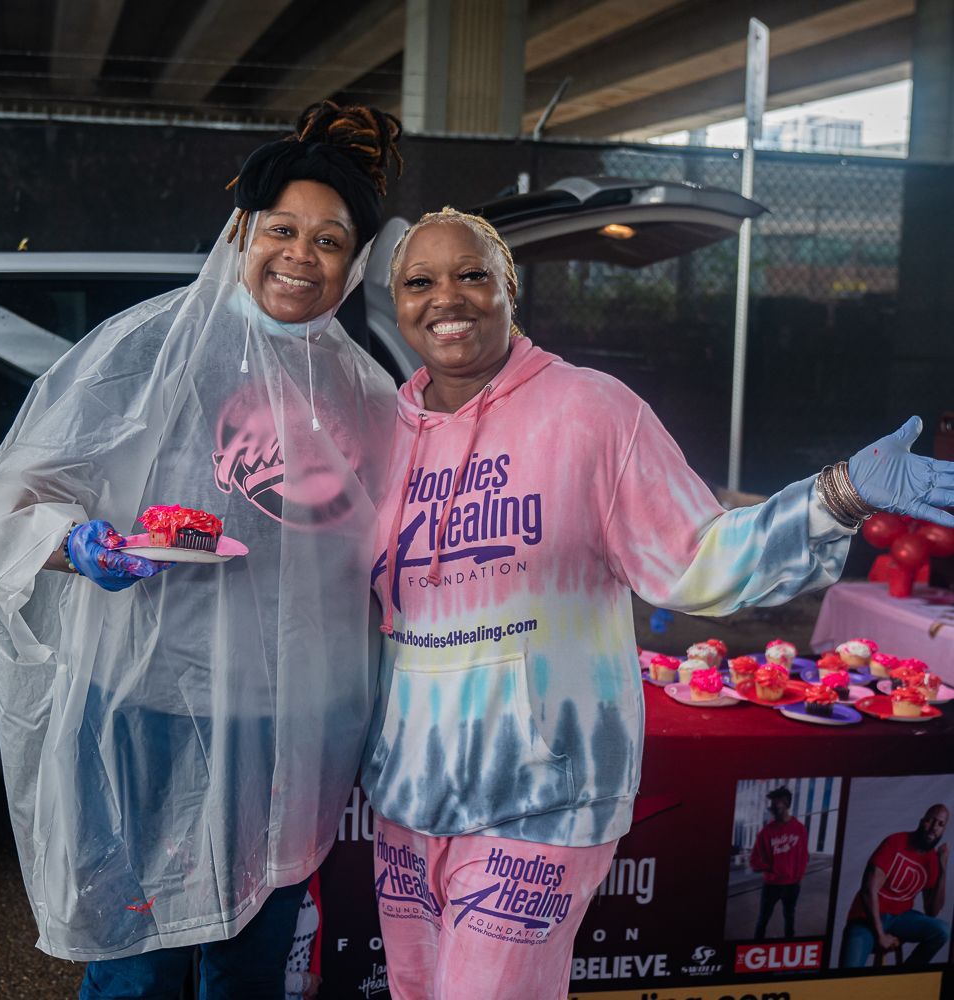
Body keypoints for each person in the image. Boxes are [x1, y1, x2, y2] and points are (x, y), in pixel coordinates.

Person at [361, 206, 954, 999]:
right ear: (396, 302)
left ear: (510, 289)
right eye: (419, 281)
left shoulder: (592, 410)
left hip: (544, 793)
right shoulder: (380, 434)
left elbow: (697, 558)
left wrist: (834, 496)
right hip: (408, 790)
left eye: (472, 275)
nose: (448, 298)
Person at [0, 101, 401, 999]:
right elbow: (7, 502)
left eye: (329, 240)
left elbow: (397, 551)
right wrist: (74, 544)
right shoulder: (147, 348)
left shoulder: (364, 389)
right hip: (147, 709)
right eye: (283, 229)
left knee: (248, 962)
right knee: (137, 966)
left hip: (288, 727)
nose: (300, 257)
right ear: (242, 231)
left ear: (354, 263)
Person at [840, 804, 950, 968]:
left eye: (940, 824)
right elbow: (868, 890)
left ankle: (904, 978)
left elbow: (932, 911)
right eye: (931, 821)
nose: (934, 828)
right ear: (922, 821)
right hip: (866, 918)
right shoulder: (895, 842)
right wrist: (880, 935)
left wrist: (942, 870)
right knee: (847, 976)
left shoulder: (932, 860)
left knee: (942, 931)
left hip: (901, 917)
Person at [749, 786, 809, 939]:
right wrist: (770, 868)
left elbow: (804, 856)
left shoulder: (800, 828)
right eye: (772, 807)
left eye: (777, 806)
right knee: (762, 920)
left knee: (790, 919)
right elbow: (754, 860)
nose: (773, 810)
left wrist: (799, 876)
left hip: (792, 885)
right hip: (772, 885)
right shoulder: (765, 832)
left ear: (787, 805)